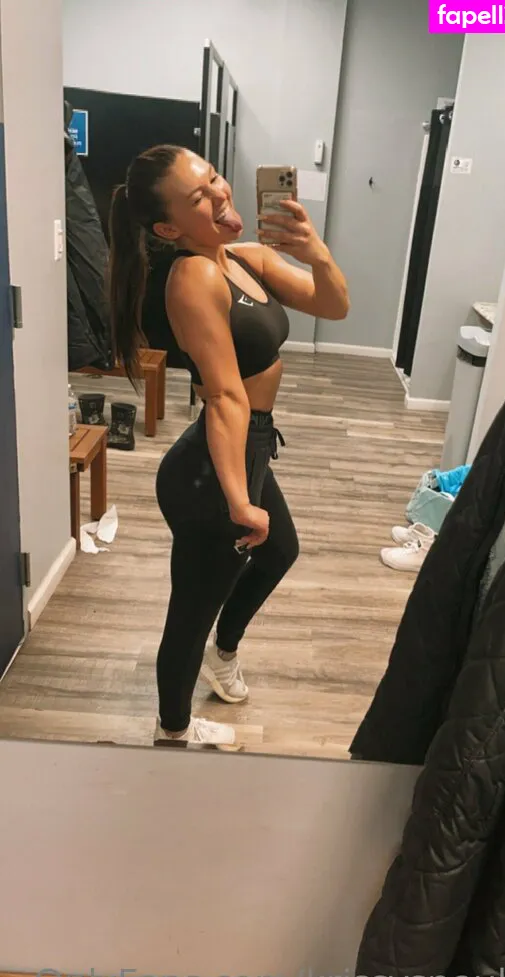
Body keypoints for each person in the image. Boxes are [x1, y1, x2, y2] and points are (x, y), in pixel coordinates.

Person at [108, 145, 349, 749]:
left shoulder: (245, 258)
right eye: (198, 196)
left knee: (280, 551)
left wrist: (316, 252)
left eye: (213, 178)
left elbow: (333, 305)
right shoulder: (193, 276)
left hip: (249, 445)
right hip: (213, 471)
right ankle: (172, 733)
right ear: (169, 229)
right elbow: (223, 396)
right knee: (190, 614)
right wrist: (240, 502)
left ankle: (224, 653)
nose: (219, 193)